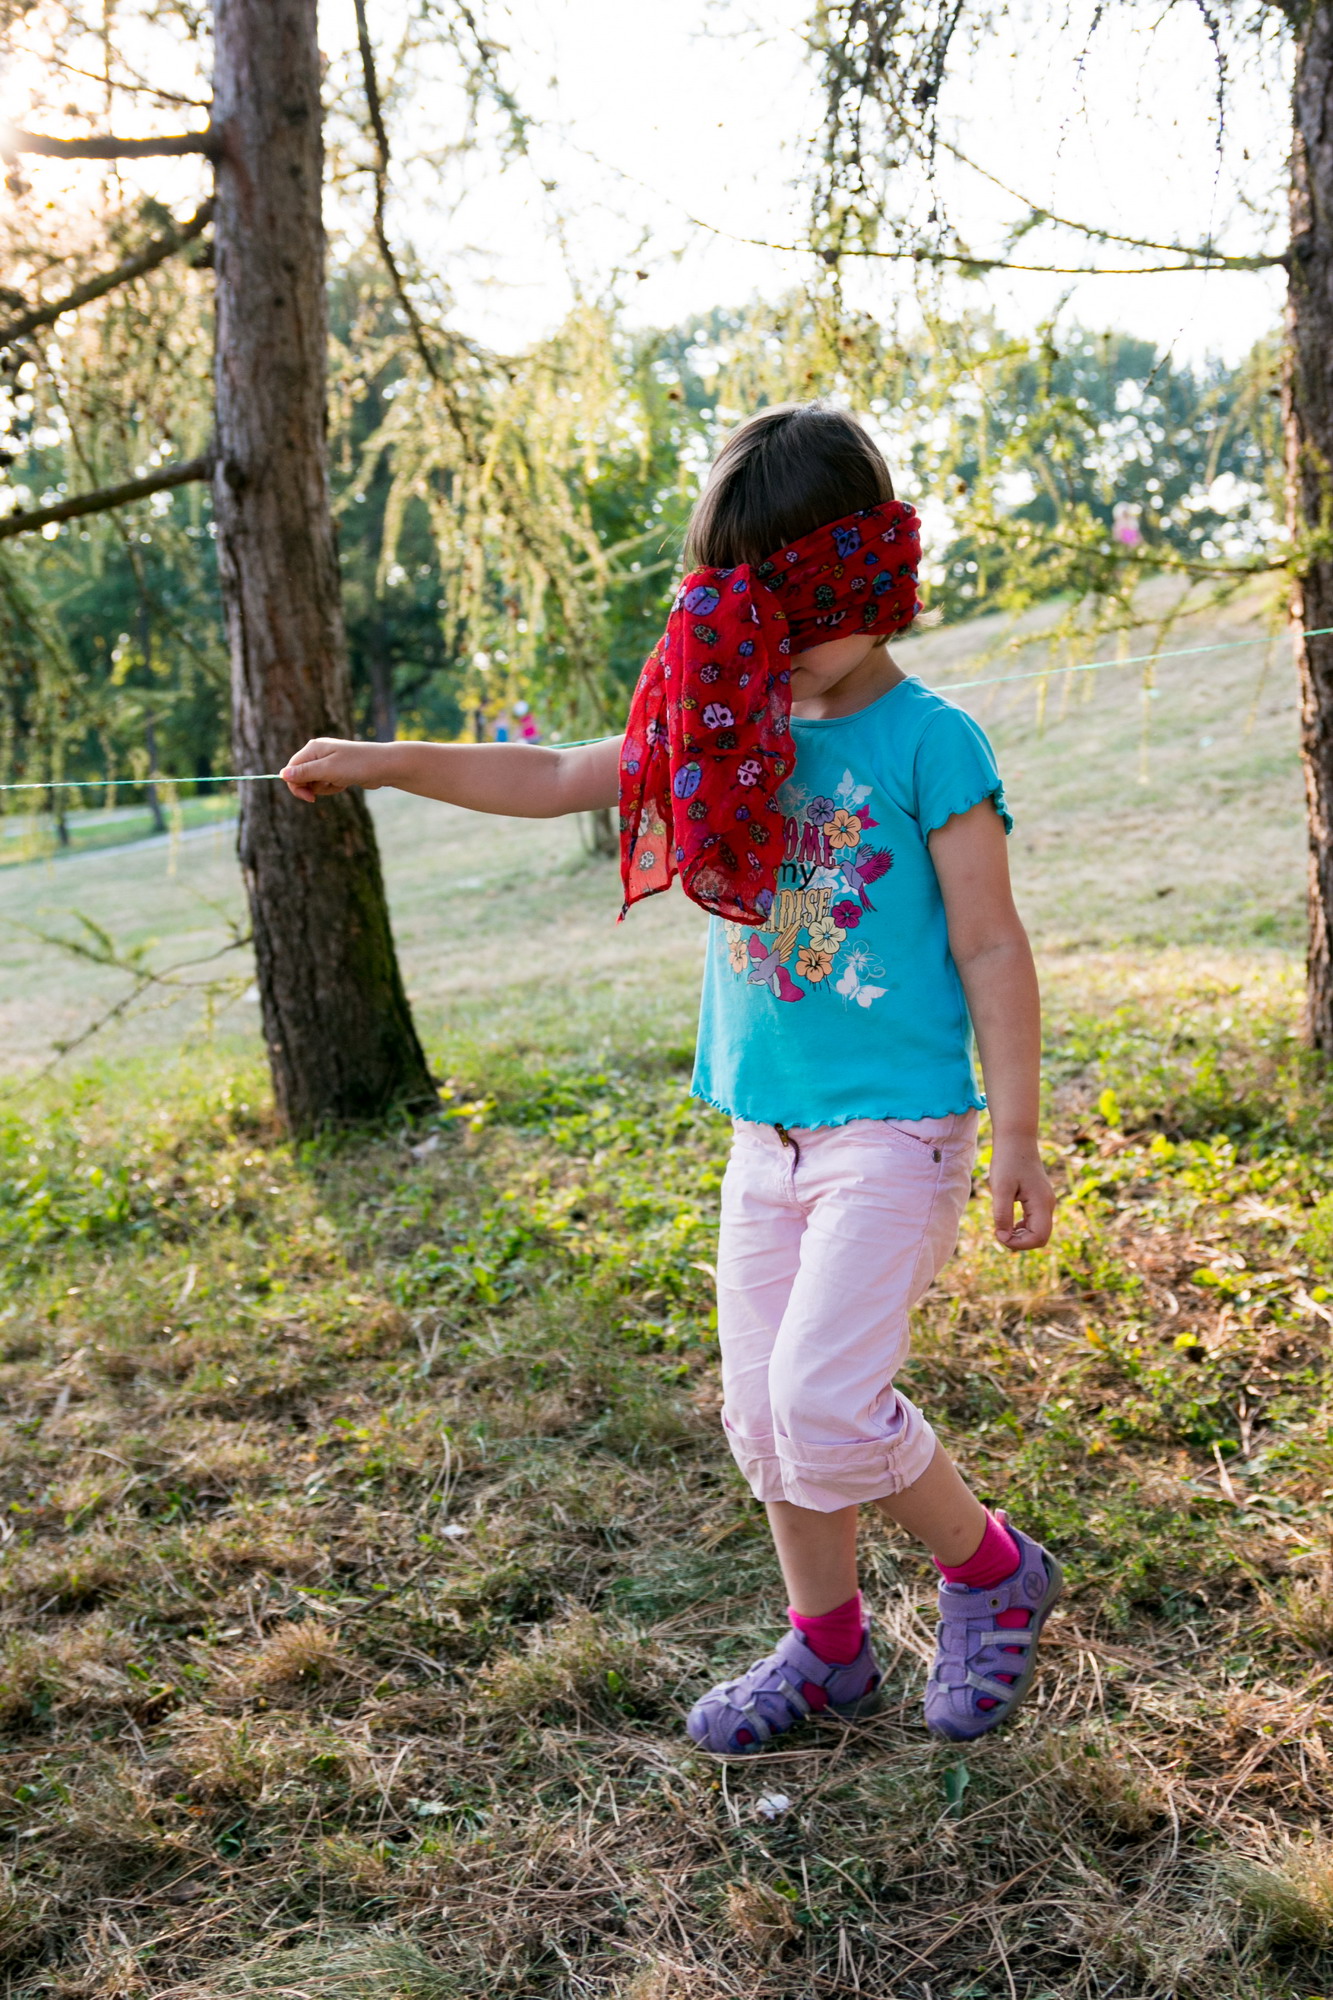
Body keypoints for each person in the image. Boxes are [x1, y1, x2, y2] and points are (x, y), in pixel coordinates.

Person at [280, 402, 1060, 1751]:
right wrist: (388, 764)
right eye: (750, 614)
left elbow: (991, 944)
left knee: (824, 1404)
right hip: (766, 1136)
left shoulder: (932, 742)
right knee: (762, 1416)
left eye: (798, 614)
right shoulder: (730, 719)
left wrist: (1021, 1136)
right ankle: (827, 1650)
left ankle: (990, 1571)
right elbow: (558, 773)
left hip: (895, 1133)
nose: (775, 644)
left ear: (868, 580)